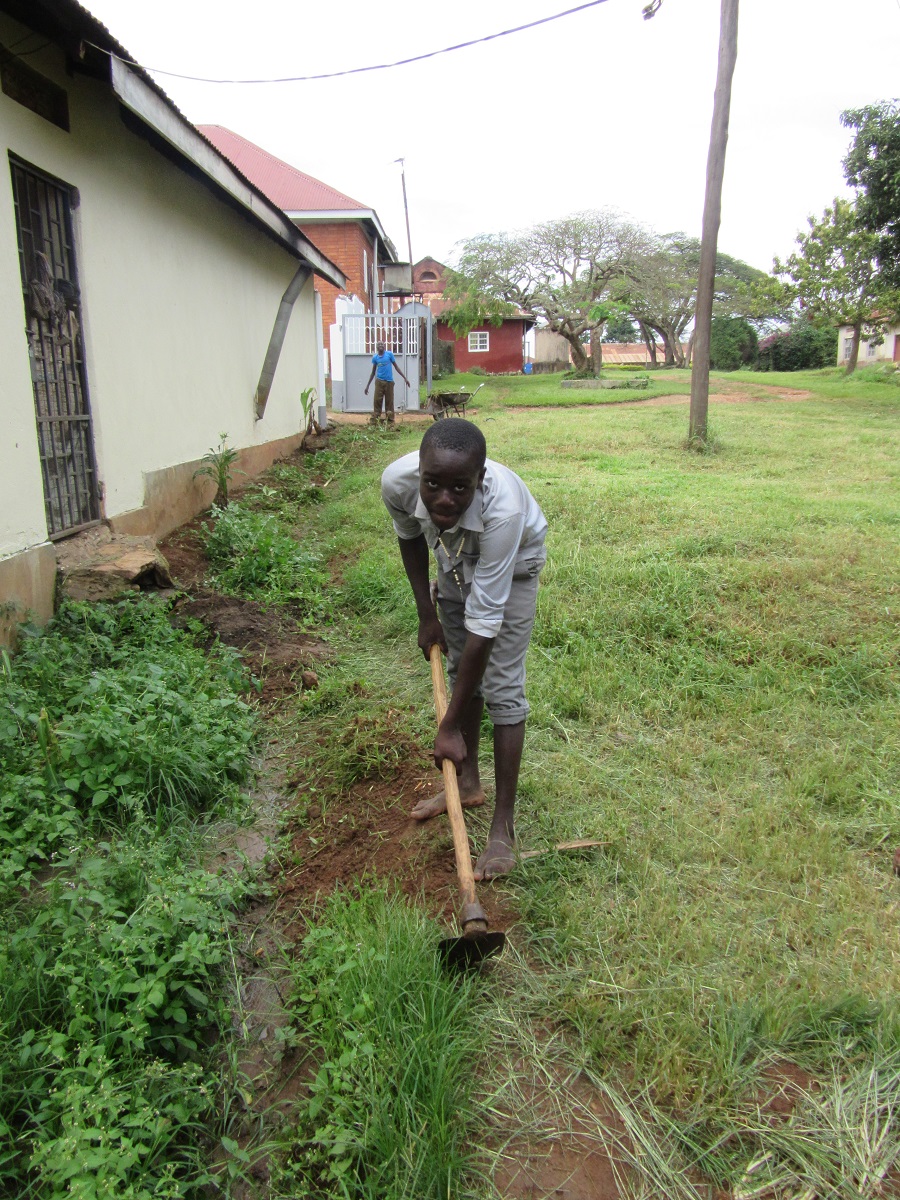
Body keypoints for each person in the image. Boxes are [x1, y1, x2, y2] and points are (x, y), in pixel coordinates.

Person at [381, 419, 547, 880]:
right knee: (460, 673)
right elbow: (410, 537)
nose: (444, 498)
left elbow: (486, 625)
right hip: (453, 556)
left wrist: (448, 726)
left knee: (502, 688)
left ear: (481, 478)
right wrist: (425, 615)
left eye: (461, 487)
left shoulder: (505, 511)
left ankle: (502, 830)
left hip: (513, 566)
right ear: (418, 472)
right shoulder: (397, 484)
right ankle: (468, 782)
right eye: (432, 483)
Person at [364, 340, 410, 427]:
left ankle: (390, 421)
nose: (381, 345)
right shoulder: (375, 358)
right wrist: (367, 386)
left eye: (382, 344)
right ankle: (375, 420)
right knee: (377, 401)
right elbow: (373, 372)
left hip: (389, 382)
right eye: (379, 344)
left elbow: (396, 367)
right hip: (379, 382)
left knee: (389, 402)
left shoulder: (389, 355)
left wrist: (405, 378)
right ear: (377, 347)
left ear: (384, 346)